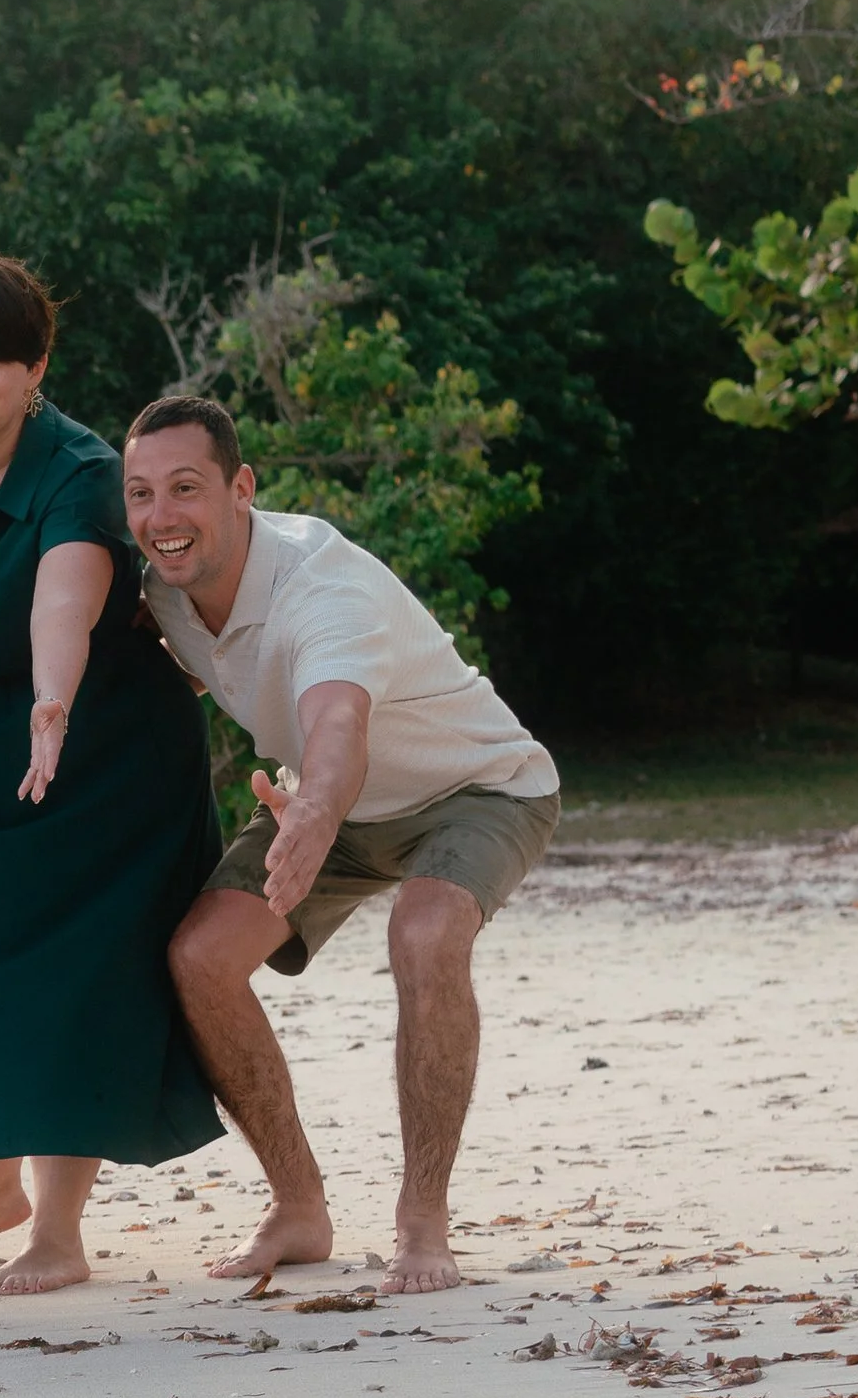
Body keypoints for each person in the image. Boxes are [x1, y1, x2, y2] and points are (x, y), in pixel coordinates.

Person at [126, 391, 560, 1297]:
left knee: (426, 932)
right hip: (325, 809)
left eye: (185, 489)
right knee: (200, 958)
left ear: (241, 487)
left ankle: (422, 1216)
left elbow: (336, 722)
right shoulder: (161, 589)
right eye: (139, 495)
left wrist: (317, 810)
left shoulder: (320, 585)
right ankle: (299, 1206)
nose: (161, 518)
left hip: (475, 787)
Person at [0, 253, 222, 1292]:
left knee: (69, 978)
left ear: (36, 366)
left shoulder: (76, 469)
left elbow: (61, 600)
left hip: (93, 751)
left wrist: (49, 704)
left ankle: (57, 1229)